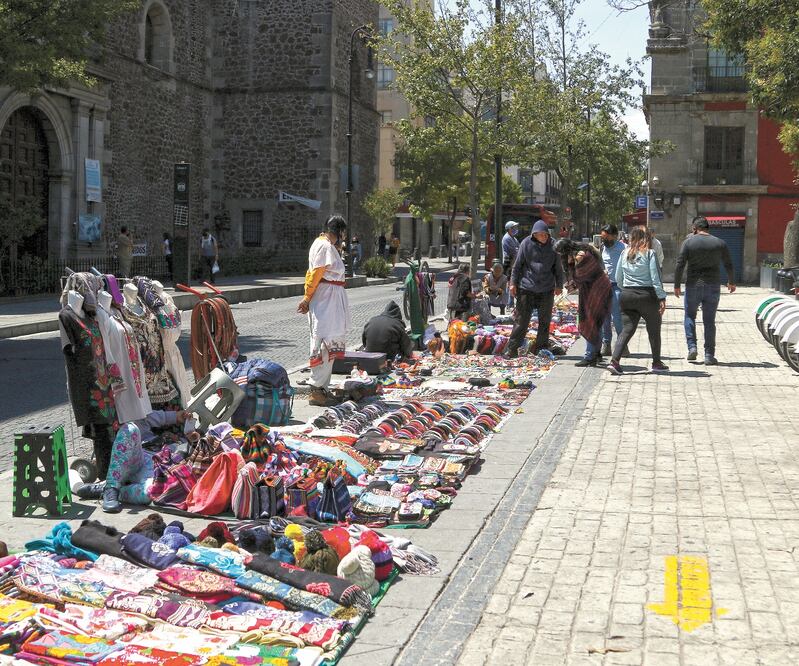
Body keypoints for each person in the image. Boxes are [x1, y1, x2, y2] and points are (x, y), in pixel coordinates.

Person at [298, 215, 351, 407]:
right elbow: (315, 274)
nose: (343, 237)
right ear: (337, 231)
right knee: (324, 342)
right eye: (342, 233)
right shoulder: (324, 246)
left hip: (329, 297)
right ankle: (317, 390)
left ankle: (322, 388)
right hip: (326, 298)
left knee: (328, 341)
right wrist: (307, 297)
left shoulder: (326, 245)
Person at [674, 216, 736, 365]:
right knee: (709, 321)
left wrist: (677, 285)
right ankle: (709, 355)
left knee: (689, 316)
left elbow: (680, 264)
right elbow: (728, 264)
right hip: (713, 284)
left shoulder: (688, 242)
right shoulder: (719, 243)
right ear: (708, 228)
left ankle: (692, 347)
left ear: (695, 228)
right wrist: (731, 281)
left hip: (694, 284)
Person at [608, 227, 669, 375]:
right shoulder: (650, 253)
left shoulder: (624, 253)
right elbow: (655, 278)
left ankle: (615, 361)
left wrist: (626, 289)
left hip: (627, 295)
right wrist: (661, 296)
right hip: (647, 295)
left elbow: (618, 278)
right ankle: (656, 362)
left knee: (627, 329)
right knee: (654, 329)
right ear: (646, 238)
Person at [504, 220, 564, 358]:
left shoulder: (553, 245)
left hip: (546, 288)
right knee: (521, 320)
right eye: (540, 235)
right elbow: (517, 266)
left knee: (544, 320)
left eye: (545, 235)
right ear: (534, 235)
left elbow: (558, 268)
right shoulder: (526, 243)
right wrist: (513, 283)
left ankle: (541, 348)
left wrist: (559, 285)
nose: (543, 237)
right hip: (527, 287)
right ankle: (512, 348)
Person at [556, 240, 611, 366]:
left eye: (561, 253)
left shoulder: (581, 256)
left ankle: (589, 356)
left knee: (589, 321)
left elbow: (580, 276)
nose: (560, 256)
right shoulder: (583, 252)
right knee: (596, 322)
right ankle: (595, 353)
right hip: (597, 289)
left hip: (595, 291)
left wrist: (571, 267)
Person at [599, 224, 627, 357]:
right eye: (602, 237)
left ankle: (622, 345)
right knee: (605, 317)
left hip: (617, 287)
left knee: (617, 317)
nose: (603, 239)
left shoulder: (624, 248)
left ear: (614, 236)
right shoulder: (602, 248)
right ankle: (606, 344)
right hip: (603, 286)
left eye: (606, 237)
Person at [502, 220, 520, 308]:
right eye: (514, 227)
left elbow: (519, 248)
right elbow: (514, 251)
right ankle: (509, 303)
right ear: (509, 229)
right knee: (510, 283)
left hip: (514, 262)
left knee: (513, 282)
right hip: (509, 263)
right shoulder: (507, 238)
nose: (516, 229)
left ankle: (511, 302)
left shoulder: (513, 238)